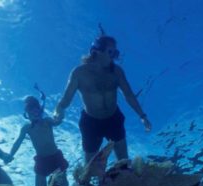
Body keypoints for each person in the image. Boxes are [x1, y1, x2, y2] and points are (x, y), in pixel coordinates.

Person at [53, 35, 152, 164]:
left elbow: (129, 95)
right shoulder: (79, 73)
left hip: (113, 119)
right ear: (96, 51)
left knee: (124, 160)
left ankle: (124, 179)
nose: (114, 56)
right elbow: (65, 100)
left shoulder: (117, 72)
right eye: (110, 52)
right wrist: (58, 112)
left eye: (115, 52)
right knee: (90, 165)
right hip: (90, 123)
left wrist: (142, 116)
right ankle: (88, 184)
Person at [8, 96, 69, 186]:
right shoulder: (27, 128)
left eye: (36, 109)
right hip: (42, 161)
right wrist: (10, 155)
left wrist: (61, 112)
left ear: (40, 110)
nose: (34, 112)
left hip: (55, 158)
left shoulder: (47, 121)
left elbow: (57, 121)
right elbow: (17, 143)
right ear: (27, 113)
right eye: (30, 110)